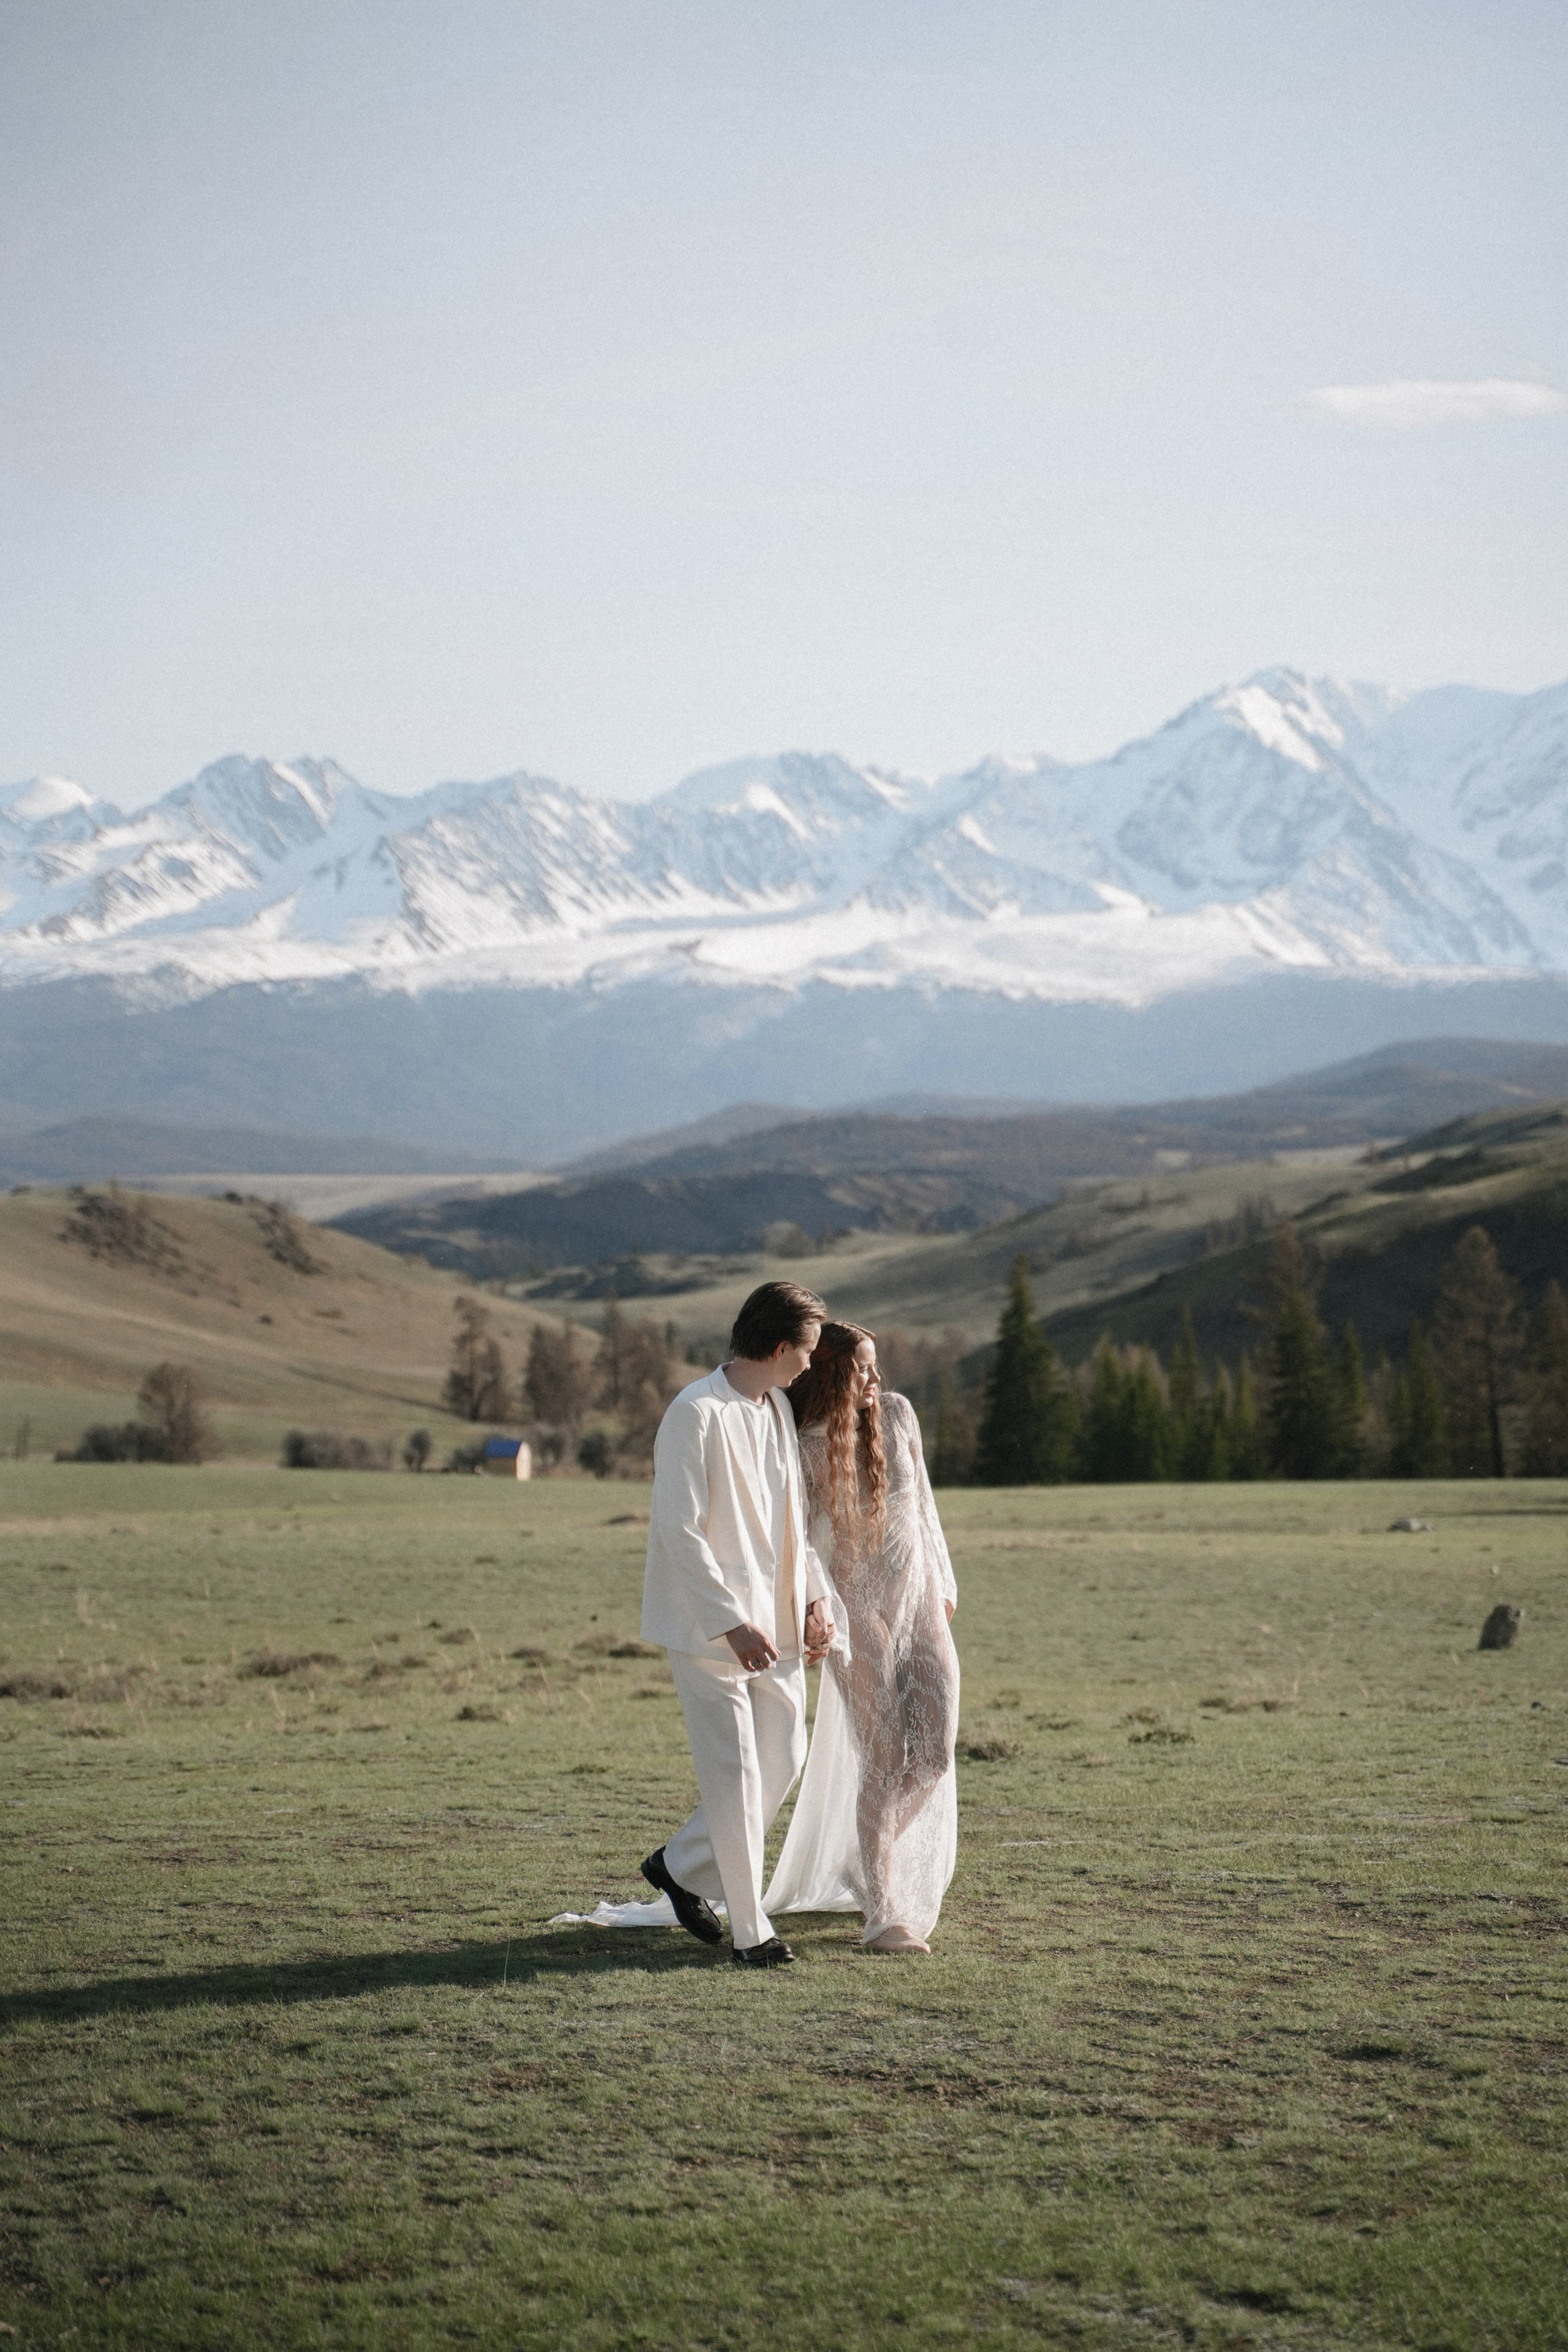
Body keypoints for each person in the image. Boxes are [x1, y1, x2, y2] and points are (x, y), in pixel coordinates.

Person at [639, 1280, 835, 1969]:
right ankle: (752, 1934)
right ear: (780, 1346)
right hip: (709, 1632)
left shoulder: (777, 1407)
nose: (810, 1366)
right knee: (735, 1774)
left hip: (778, 1626)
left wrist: (813, 1599)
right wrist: (730, 1624)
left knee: (784, 1758)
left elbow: (795, 1521)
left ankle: (676, 1865)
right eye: (806, 1352)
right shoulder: (694, 1412)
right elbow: (678, 1531)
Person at [765, 1322, 959, 1955]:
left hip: (921, 1599)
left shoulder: (899, 1415)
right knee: (884, 1753)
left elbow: (924, 1505)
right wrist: (818, 1608)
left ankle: (860, 1856)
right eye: (862, 1370)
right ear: (830, 1377)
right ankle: (883, 1913)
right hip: (855, 1608)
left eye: (876, 1367)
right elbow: (801, 1539)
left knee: (934, 1751)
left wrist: (946, 1582)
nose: (876, 1380)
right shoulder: (801, 1443)